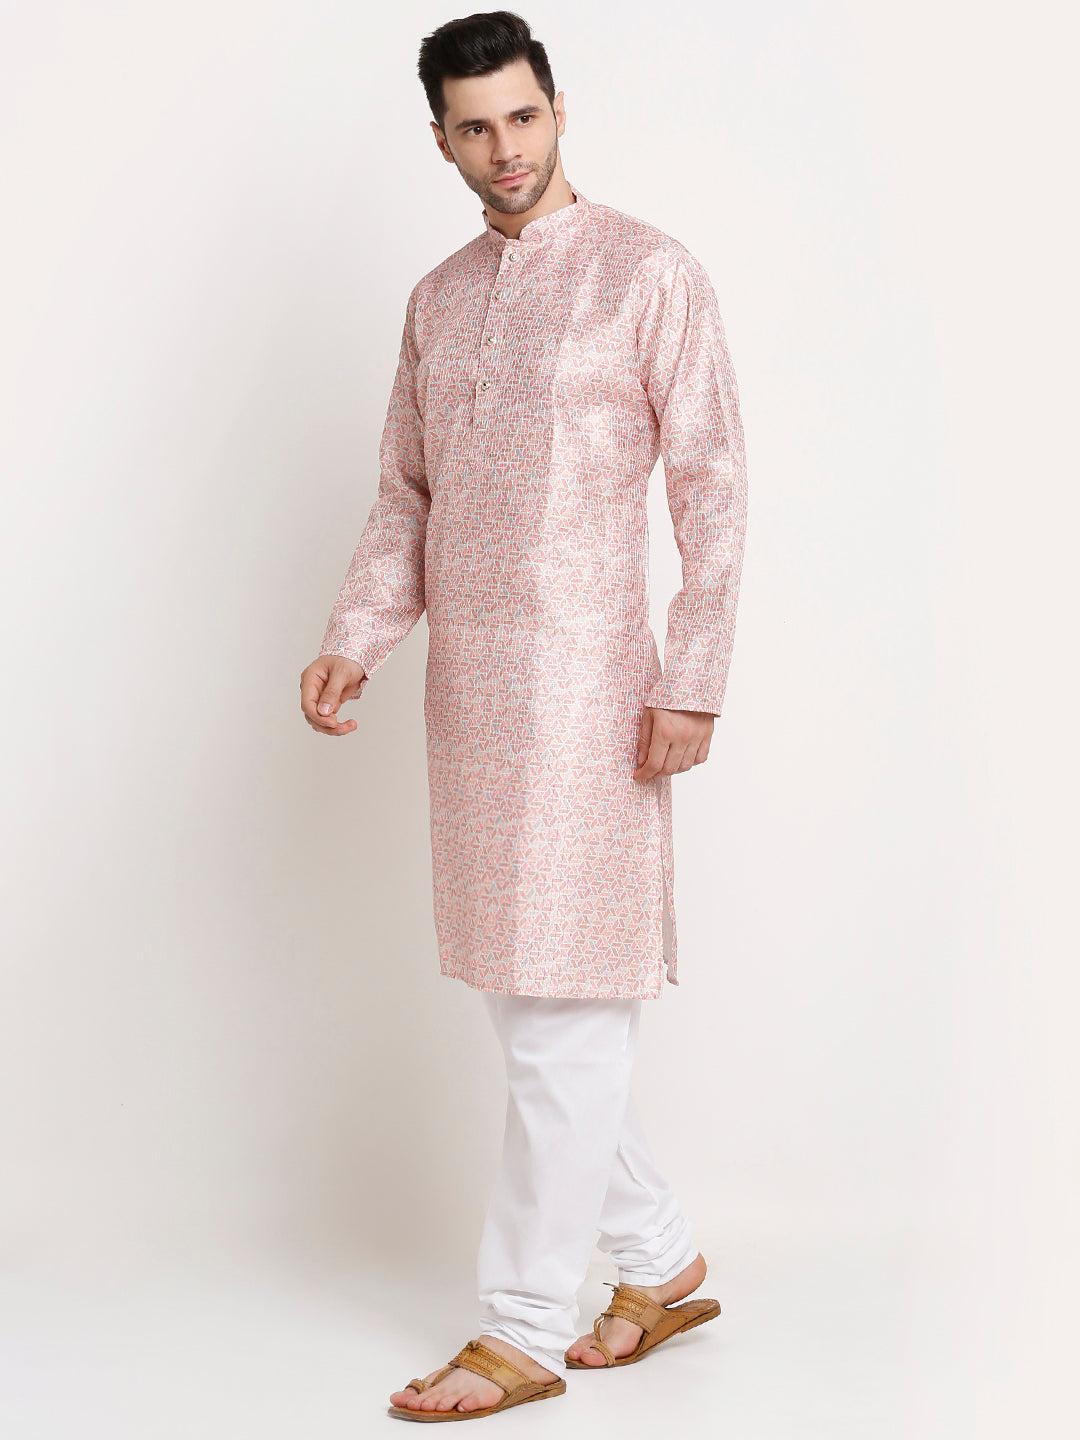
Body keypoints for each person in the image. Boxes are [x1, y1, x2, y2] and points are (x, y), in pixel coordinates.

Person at [299, 10, 748, 1422]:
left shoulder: (647, 272)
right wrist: (356, 638)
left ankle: (521, 1328)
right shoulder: (437, 301)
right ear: (441, 139)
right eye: (475, 127)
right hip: (471, 703)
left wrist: (691, 677)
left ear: (560, 110)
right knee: (533, 1003)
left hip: (593, 700)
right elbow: (407, 494)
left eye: (524, 117)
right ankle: (660, 1263)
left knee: (564, 1014)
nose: (505, 149)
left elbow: (714, 486)